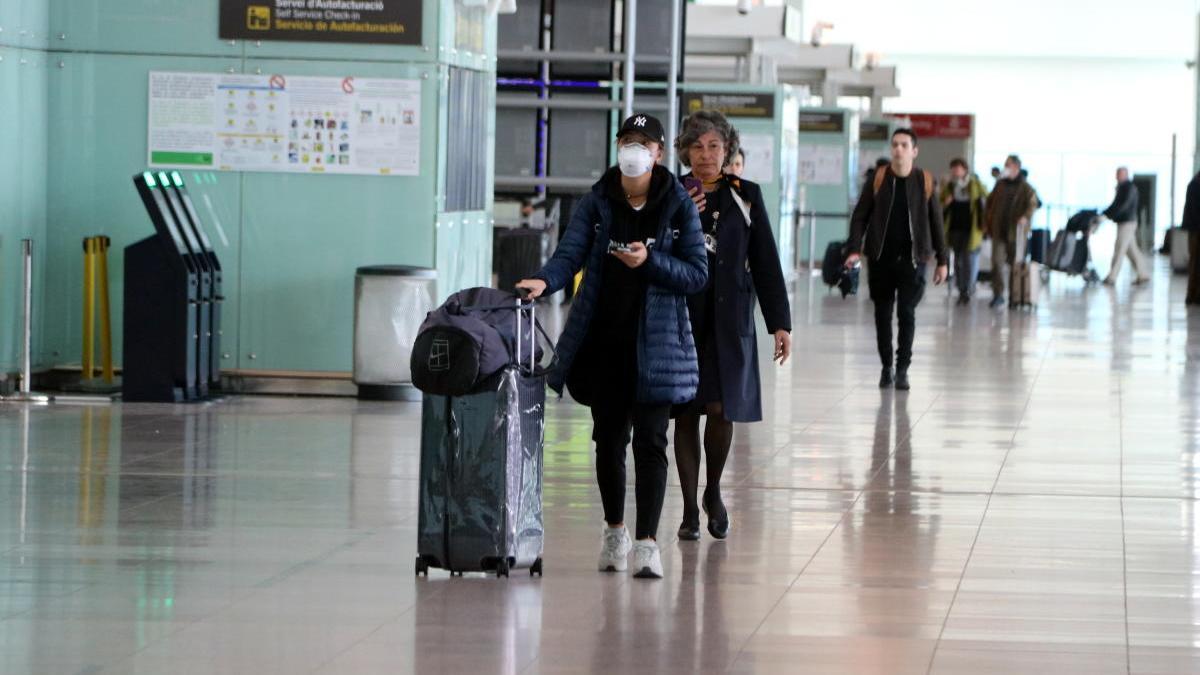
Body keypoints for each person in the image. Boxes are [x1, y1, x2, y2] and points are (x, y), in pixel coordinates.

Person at [516, 114, 707, 580]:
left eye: (643, 143)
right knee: (607, 441)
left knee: (651, 443)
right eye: (627, 141)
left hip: (657, 346)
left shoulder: (677, 204)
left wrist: (650, 261)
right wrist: (545, 279)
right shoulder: (598, 200)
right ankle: (614, 529)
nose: (633, 150)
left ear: (659, 153)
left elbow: (696, 273)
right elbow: (570, 252)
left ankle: (646, 543)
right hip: (605, 341)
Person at [672, 110, 792, 542]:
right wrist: (680, 211)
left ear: (728, 151)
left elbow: (765, 261)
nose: (706, 156)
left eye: (714, 147)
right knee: (684, 410)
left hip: (731, 318)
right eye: (698, 147)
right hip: (682, 317)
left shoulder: (747, 195)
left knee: (722, 409)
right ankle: (687, 509)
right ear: (685, 150)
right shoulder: (672, 193)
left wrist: (780, 322)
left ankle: (713, 490)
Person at [846, 129, 948, 391]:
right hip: (881, 258)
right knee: (882, 314)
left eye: (904, 145)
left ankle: (903, 368)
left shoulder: (924, 180)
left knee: (906, 313)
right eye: (895, 145)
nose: (898, 149)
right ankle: (886, 366)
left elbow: (937, 223)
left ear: (914, 151)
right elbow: (860, 216)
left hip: (913, 260)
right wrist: (854, 249)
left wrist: (943, 259)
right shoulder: (879, 178)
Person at [983, 155, 1039, 309]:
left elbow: (1032, 204)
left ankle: (1015, 296)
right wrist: (987, 224)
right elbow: (989, 204)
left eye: (1008, 165)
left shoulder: (1026, 187)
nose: (1005, 167)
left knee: (1015, 265)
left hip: (1016, 233)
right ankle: (998, 294)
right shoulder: (999, 185)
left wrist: (1025, 217)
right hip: (998, 230)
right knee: (997, 263)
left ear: (1016, 167)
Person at [941, 158, 988, 305]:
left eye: (958, 168)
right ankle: (961, 289)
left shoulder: (975, 183)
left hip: (971, 228)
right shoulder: (950, 185)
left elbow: (986, 197)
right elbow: (941, 201)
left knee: (968, 259)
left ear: (964, 169)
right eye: (953, 168)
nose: (955, 171)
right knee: (958, 260)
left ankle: (967, 288)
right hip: (955, 227)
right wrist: (946, 201)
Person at [1102, 166, 1150, 287]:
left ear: (1125, 175)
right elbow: (1115, 205)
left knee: (1119, 249)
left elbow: (1123, 206)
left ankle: (1112, 277)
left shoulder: (1129, 188)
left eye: (1119, 174)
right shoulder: (1122, 187)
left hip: (1127, 223)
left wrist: (1109, 216)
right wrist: (1104, 214)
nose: (1117, 176)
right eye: (1116, 173)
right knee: (1131, 250)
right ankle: (1143, 274)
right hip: (1124, 222)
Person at [1184, 170, 1200, 306]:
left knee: (1195, 262)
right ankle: (1193, 295)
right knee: (1195, 262)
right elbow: (1194, 210)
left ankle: (1193, 295)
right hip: (1196, 230)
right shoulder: (1195, 185)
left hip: (1194, 229)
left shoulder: (1194, 183)